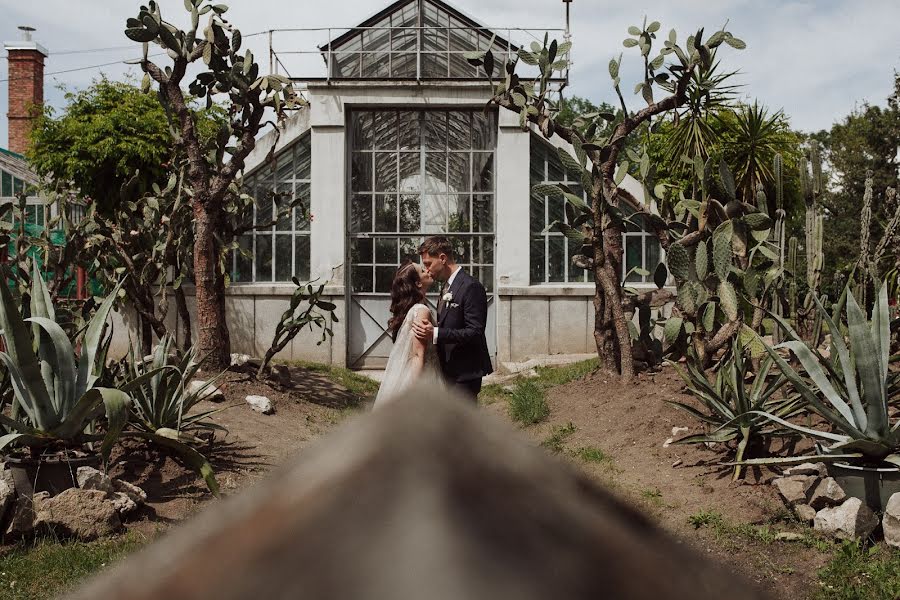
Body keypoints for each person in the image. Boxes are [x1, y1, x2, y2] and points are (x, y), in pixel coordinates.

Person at [412, 236, 493, 401]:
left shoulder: (471, 287)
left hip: (464, 374)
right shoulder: (446, 287)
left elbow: (475, 331)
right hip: (448, 371)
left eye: (428, 264)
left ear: (442, 258)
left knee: (463, 425)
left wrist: (436, 333)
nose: (427, 270)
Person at [372, 261, 442, 408]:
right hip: (423, 377)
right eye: (423, 271)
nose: (428, 271)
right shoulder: (421, 311)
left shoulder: (413, 309)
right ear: (418, 283)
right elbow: (417, 355)